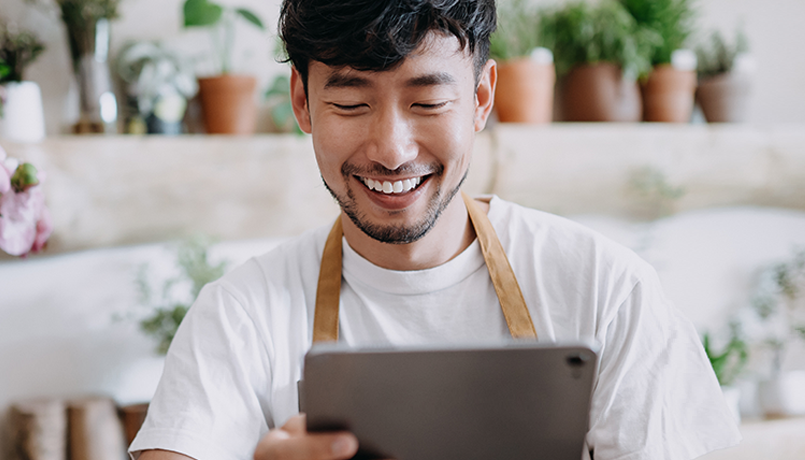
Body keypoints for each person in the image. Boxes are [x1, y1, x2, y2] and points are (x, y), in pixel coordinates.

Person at [130, 0, 741, 459]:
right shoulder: (238, 317)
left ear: (481, 98)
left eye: (427, 103)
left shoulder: (607, 291)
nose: (392, 151)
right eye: (350, 103)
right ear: (302, 102)